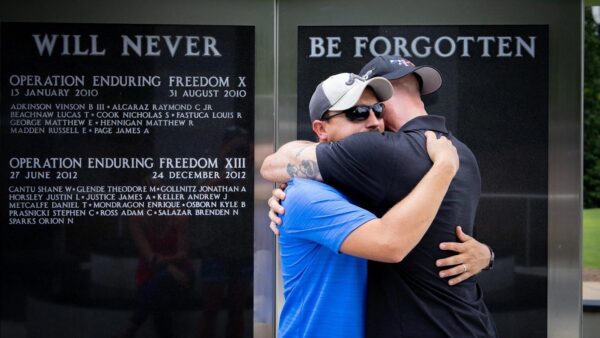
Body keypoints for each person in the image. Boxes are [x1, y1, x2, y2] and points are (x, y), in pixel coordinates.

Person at [261, 56, 497, 337]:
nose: (374, 122)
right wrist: (444, 168)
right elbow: (391, 243)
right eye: (358, 112)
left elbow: (274, 163)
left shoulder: (365, 174)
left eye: (377, 109)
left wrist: (485, 254)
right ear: (320, 129)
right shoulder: (459, 153)